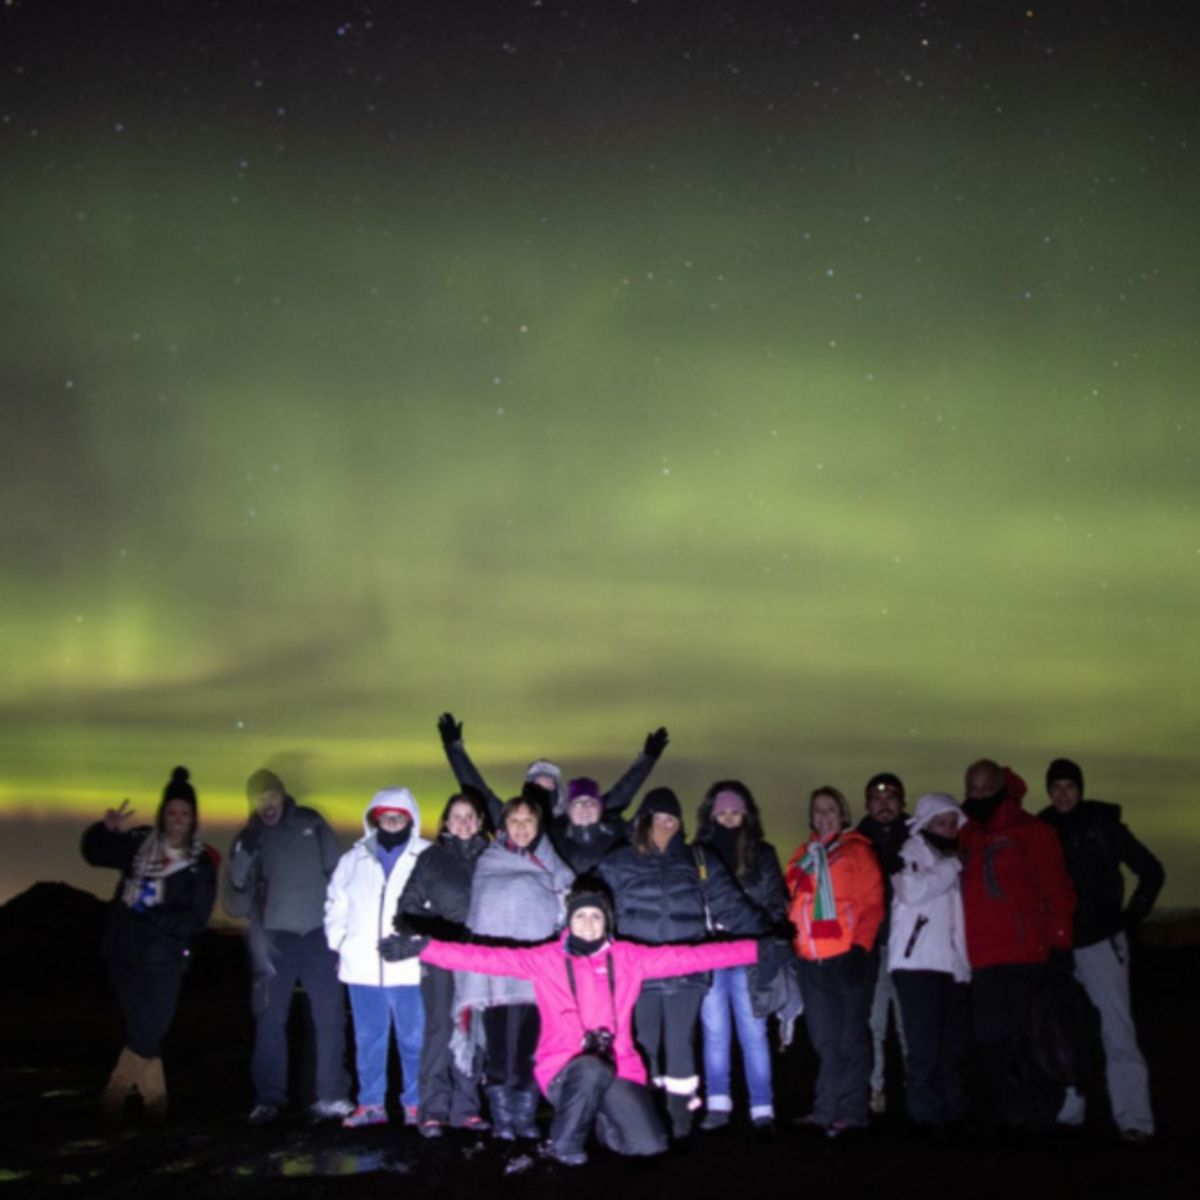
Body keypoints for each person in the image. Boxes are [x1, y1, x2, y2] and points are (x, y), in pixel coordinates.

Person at [385, 885, 772, 1165]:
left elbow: (693, 956)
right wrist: (424, 948)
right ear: (570, 920)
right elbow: (485, 958)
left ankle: (600, 1120)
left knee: (647, 1147)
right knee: (588, 1068)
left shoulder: (629, 958)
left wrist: (759, 949)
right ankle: (564, 1146)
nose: (588, 924)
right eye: (581, 916)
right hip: (562, 1071)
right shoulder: (546, 959)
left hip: (619, 1068)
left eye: (596, 916)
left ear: (607, 922)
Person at [598, 786, 763, 1139]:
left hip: (686, 972)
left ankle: (679, 1124)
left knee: (680, 1045)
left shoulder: (698, 860)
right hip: (637, 973)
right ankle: (644, 1119)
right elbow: (593, 906)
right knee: (641, 1042)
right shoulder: (617, 860)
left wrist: (768, 937)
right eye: (657, 818)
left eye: (671, 819)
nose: (664, 825)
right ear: (643, 821)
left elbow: (730, 905)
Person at [81, 766, 219, 1123]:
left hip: (165, 961)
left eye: (184, 813)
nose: (177, 819)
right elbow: (95, 853)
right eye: (171, 812)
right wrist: (106, 829)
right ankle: (156, 1106)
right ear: (163, 814)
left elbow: (196, 920)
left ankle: (112, 1099)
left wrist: (151, 911)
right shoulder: (139, 843)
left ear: (193, 818)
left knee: (150, 1031)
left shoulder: (201, 863)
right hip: (123, 953)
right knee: (143, 1034)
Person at [1040, 758, 1164, 1143]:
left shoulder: (1103, 825)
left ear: (1081, 788)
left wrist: (1130, 918)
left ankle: (1134, 1119)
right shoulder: (1041, 829)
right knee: (1063, 1031)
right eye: (1056, 787)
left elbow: (1151, 869)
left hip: (1101, 942)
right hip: (1059, 946)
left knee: (1117, 1029)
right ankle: (1069, 1113)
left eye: (1069, 787)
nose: (1063, 794)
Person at [223, 768, 351, 1124]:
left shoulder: (311, 823)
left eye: (272, 796)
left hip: (318, 937)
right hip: (274, 941)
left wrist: (341, 927)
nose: (267, 804)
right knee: (269, 1019)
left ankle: (330, 1095)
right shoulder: (247, 839)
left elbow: (340, 874)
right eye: (259, 798)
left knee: (329, 1018)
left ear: (282, 796)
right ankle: (269, 1099)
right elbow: (234, 906)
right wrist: (237, 873)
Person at [449, 792, 575, 1139]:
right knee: (500, 1045)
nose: (521, 828)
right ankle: (503, 1115)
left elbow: (571, 911)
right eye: (514, 821)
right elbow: (478, 917)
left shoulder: (555, 866)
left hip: (538, 975)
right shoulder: (488, 861)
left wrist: (563, 905)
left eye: (528, 821)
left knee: (530, 1045)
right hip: (494, 977)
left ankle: (525, 1114)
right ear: (503, 825)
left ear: (539, 825)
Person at [959, 759, 1074, 1130]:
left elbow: (1055, 887)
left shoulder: (1032, 831)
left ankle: (1035, 1115)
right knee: (991, 1041)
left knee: (1027, 1040)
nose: (978, 796)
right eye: (971, 790)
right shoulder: (966, 835)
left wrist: (1060, 943)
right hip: (981, 958)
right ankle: (1006, 1115)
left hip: (1025, 954)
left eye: (984, 789)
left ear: (1001, 788)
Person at [325, 787, 430, 1127]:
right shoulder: (352, 859)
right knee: (369, 1039)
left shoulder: (426, 856)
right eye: (386, 816)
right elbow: (335, 904)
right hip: (362, 969)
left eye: (400, 816)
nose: (393, 822)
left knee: (413, 1038)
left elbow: (436, 907)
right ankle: (371, 1104)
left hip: (408, 968)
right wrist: (341, 940)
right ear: (374, 818)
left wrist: (420, 944)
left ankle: (415, 1103)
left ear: (410, 819)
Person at [785, 786, 885, 1137]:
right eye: (818, 810)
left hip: (847, 956)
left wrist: (861, 948)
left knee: (850, 1038)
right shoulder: (802, 856)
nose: (824, 815)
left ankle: (853, 1110)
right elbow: (790, 904)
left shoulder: (857, 851)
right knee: (825, 1040)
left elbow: (872, 904)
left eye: (831, 809)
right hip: (811, 962)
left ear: (843, 814)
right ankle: (825, 1109)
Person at [394, 790, 493, 1137]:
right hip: (442, 957)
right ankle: (433, 1109)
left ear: (480, 821)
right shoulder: (432, 859)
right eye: (457, 816)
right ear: (446, 823)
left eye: (470, 816)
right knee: (440, 1028)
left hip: (482, 960)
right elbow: (406, 911)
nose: (464, 822)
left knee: (473, 1029)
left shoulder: (495, 857)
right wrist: (447, 933)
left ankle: (466, 1108)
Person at [693, 779, 788, 1132]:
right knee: (715, 1032)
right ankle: (718, 1104)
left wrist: (773, 941)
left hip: (752, 953)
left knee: (754, 1032)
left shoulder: (764, 853)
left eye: (736, 812)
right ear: (712, 816)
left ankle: (762, 1107)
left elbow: (777, 901)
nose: (729, 819)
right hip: (713, 952)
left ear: (746, 815)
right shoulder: (699, 853)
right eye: (723, 813)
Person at [435, 710, 669, 831]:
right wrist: (454, 749)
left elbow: (619, 797)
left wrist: (647, 759)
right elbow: (478, 792)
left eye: (549, 785)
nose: (543, 790)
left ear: (559, 791)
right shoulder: (509, 817)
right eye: (537, 784)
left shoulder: (571, 819)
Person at [888, 793, 971, 1130]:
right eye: (941, 822)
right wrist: (952, 866)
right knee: (923, 1048)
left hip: (949, 967)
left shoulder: (946, 857)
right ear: (925, 823)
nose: (949, 829)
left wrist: (963, 965)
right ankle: (923, 1116)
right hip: (916, 965)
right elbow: (910, 889)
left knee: (951, 1048)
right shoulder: (909, 852)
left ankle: (952, 1114)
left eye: (953, 823)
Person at [857, 772, 910, 1115]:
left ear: (902, 802)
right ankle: (874, 1091)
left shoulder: (920, 837)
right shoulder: (856, 843)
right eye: (877, 799)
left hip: (910, 948)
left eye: (891, 797)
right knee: (873, 1025)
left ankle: (914, 1088)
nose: (884, 804)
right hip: (872, 948)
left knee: (910, 1025)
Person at [551, 777, 628, 877]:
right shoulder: (552, 842)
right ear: (569, 811)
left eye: (591, 802)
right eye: (577, 803)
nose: (584, 807)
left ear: (600, 809)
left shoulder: (621, 838)